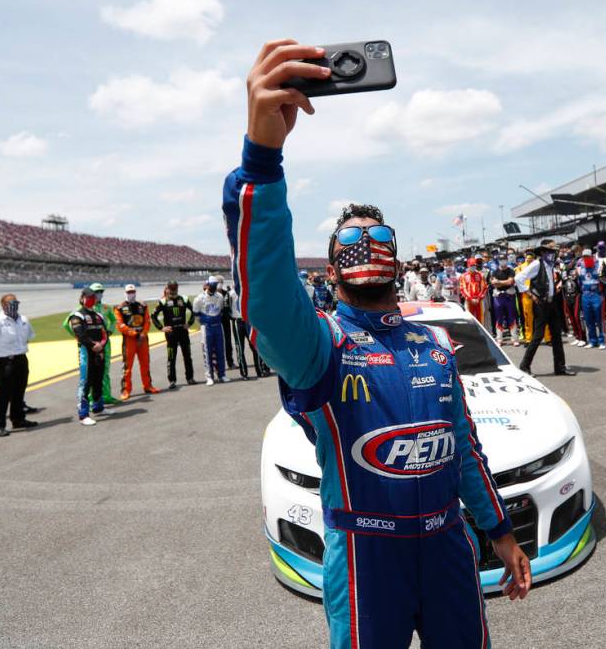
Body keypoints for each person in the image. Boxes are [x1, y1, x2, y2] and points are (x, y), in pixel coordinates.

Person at [225, 40, 531, 648]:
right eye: (351, 244)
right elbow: (266, 301)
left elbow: (464, 450)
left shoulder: (437, 344)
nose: (367, 245)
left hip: (449, 543)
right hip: (367, 551)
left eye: (378, 237)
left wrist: (499, 531)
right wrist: (262, 162)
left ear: (398, 256)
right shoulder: (321, 345)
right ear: (331, 274)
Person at [515, 240, 575, 376]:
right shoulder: (537, 264)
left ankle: (560, 367)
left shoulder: (551, 265)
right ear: (542, 252)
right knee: (538, 336)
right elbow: (519, 278)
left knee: (556, 336)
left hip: (551, 303)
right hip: (541, 304)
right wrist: (530, 294)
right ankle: (525, 366)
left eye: (553, 252)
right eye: (549, 251)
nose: (552, 254)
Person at [0, 294, 37, 437]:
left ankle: (18, 419)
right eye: (10, 303)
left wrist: (19, 351)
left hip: (21, 359)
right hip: (4, 361)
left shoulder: (23, 320)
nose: (14, 305)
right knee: (3, 395)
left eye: (16, 302)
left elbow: (28, 339)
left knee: (19, 391)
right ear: (2, 305)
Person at [62, 282, 119, 405]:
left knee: (104, 371)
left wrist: (109, 332)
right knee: (87, 376)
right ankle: (86, 403)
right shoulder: (78, 311)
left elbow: (114, 321)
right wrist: (78, 337)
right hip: (88, 347)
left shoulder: (105, 308)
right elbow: (66, 324)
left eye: (101, 292)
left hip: (104, 345)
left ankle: (105, 397)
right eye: (95, 292)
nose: (98, 295)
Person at [68, 287, 108, 426]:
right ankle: (83, 414)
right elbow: (80, 334)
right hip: (86, 352)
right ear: (82, 298)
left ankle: (98, 407)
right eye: (88, 296)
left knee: (98, 379)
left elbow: (105, 333)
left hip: (100, 351)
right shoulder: (77, 316)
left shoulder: (99, 315)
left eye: (93, 296)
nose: (91, 299)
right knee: (85, 382)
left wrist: (101, 345)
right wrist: (93, 346)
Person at [114, 284, 159, 399]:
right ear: (125, 293)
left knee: (145, 364)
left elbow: (147, 321)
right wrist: (134, 334)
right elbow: (120, 325)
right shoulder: (119, 308)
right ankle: (126, 390)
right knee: (127, 366)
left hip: (143, 339)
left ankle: (148, 386)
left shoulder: (142, 305)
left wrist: (143, 334)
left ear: (136, 292)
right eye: (129, 292)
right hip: (130, 340)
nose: (131, 294)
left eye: (132, 291)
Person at [152, 280, 197, 388]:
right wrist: (161, 328)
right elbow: (153, 315)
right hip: (171, 333)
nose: (173, 290)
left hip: (183, 332)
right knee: (171, 357)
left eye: (175, 287)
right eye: (171, 288)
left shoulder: (184, 299)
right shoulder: (163, 301)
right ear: (167, 288)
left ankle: (190, 378)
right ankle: (172, 380)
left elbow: (194, 312)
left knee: (187, 356)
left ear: (177, 287)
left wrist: (189, 323)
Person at [194, 276, 230, 386]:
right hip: (206, 327)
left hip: (218, 326)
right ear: (207, 285)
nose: (214, 288)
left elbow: (221, 310)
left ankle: (222, 374)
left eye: (216, 286)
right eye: (212, 286)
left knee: (220, 350)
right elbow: (196, 315)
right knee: (207, 352)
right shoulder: (199, 298)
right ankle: (209, 376)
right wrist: (204, 323)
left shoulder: (219, 297)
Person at [577, 249, 606, 349]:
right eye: (584, 256)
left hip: (596, 294)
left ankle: (602, 341)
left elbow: (603, 279)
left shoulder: (598, 265)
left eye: (587, 256)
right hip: (585, 295)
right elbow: (579, 281)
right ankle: (592, 341)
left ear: (592, 256)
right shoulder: (580, 266)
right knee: (588, 319)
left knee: (599, 319)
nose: (585, 258)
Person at [490, 255, 520, 346]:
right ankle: (499, 339)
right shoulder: (494, 272)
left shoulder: (511, 270)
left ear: (506, 260)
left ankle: (514, 339)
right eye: (500, 260)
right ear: (498, 261)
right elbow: (494, 284)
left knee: (512, 316)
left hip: (509, 296)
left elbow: (510, 282)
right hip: (498, 297)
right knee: (499, 318)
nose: (502, 261)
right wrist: (503, 282)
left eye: (504, 259)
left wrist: (499, 282)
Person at [560, 256, 585, 347]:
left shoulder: (576, 270)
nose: (568, 265)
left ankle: (583, 338)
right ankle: (577, 337)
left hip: (576, 296)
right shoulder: (563, 272)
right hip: (567, 296)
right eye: (566, 263)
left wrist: (575, 272)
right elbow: (562, 283)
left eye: (569, 263)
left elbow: (579, 280)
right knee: (571, 318)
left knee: (577, 317)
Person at [459, 257, 487, 323]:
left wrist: (479, 298)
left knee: (481, 318)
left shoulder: (480, 275)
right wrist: (470, 298)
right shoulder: (463, 276)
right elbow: (462, 288)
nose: (473, 267)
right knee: (469, 319)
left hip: (479, 301)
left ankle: (480, 332)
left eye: (474, 265)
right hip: (469, 301)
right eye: (471, 265)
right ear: (468, 265)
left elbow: (484, 287)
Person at [221, 284, 237, 368]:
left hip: (225, 320)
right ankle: (219, 364)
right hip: (216, 322)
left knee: (228, 341)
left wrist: (230, 316)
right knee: (218, 343)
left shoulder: (226, 294)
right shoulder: (211, 294)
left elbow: (230, 306)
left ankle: (230, 361)